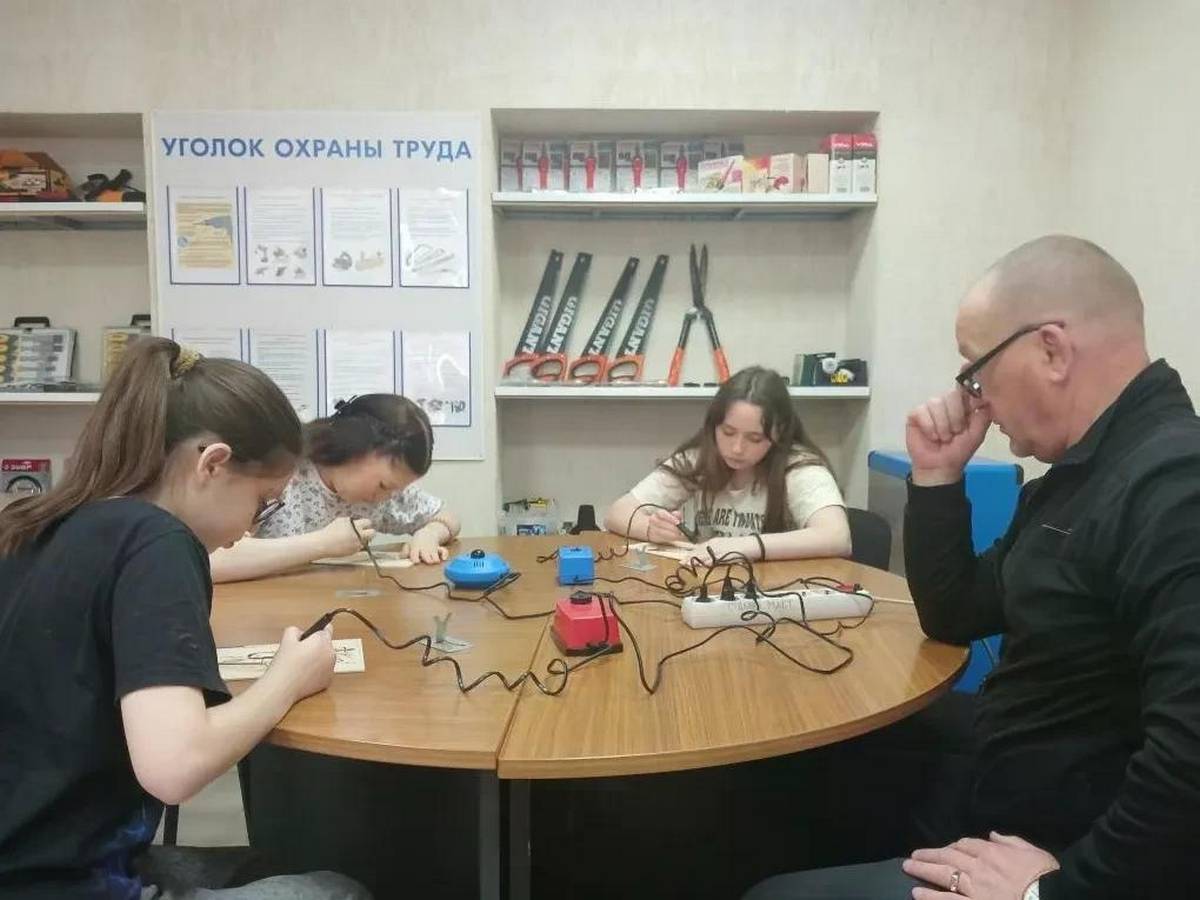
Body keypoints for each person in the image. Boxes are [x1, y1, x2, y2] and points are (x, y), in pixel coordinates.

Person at [743, 235, 1200, 899]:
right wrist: (936, 475)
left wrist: (1051, 893)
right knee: (789, 778)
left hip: (1061, 853)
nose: (974, 398)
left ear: (1052, 350)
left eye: (976, 372)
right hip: (999, 781)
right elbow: (957, 613)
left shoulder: (1174, 486)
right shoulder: (1076, 478)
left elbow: (1188, 756)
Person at [0, 339, 369, 900]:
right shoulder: (159, 542)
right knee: (339, 889)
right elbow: (175, 765)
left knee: (269, 863)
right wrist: (288, 679)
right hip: (58, 881)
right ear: (212, 463)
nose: (251, 528)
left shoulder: (39, 522)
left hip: (32, 850)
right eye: (262, 502)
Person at [605, 366, 851, 561]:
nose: (737, 448)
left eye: (755, 438)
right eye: (728, 432)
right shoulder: (699, 458)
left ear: (780, 433)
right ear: (713, 425)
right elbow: (617, 512)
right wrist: (651, 529)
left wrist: (743, 547)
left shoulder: (800, 467)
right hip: (710, 589)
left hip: (780, 593)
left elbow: (837, 537)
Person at [210, 393, 460, 583]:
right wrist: (323, 544)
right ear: (355, 446)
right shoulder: (280, 471)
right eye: (384, 485)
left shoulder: (383, 495)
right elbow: (211, 560)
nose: (386, 497)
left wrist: (429, 534)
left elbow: (446, 517)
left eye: (395, 490)